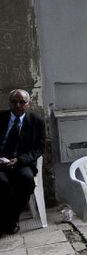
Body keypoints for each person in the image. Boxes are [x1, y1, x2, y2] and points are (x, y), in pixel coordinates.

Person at [0, 89, 45, 236]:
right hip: (1, 163)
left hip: (22, 163)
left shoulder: (36, 122)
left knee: (26, 181)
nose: (18, 105)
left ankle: (11, 220)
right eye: (14, 102)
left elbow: (39, 149)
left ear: (28, 104)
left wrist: (19, 160)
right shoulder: (1, 118)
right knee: (2, 183)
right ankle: (7, 221)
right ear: (9, 103)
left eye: (22, 102)